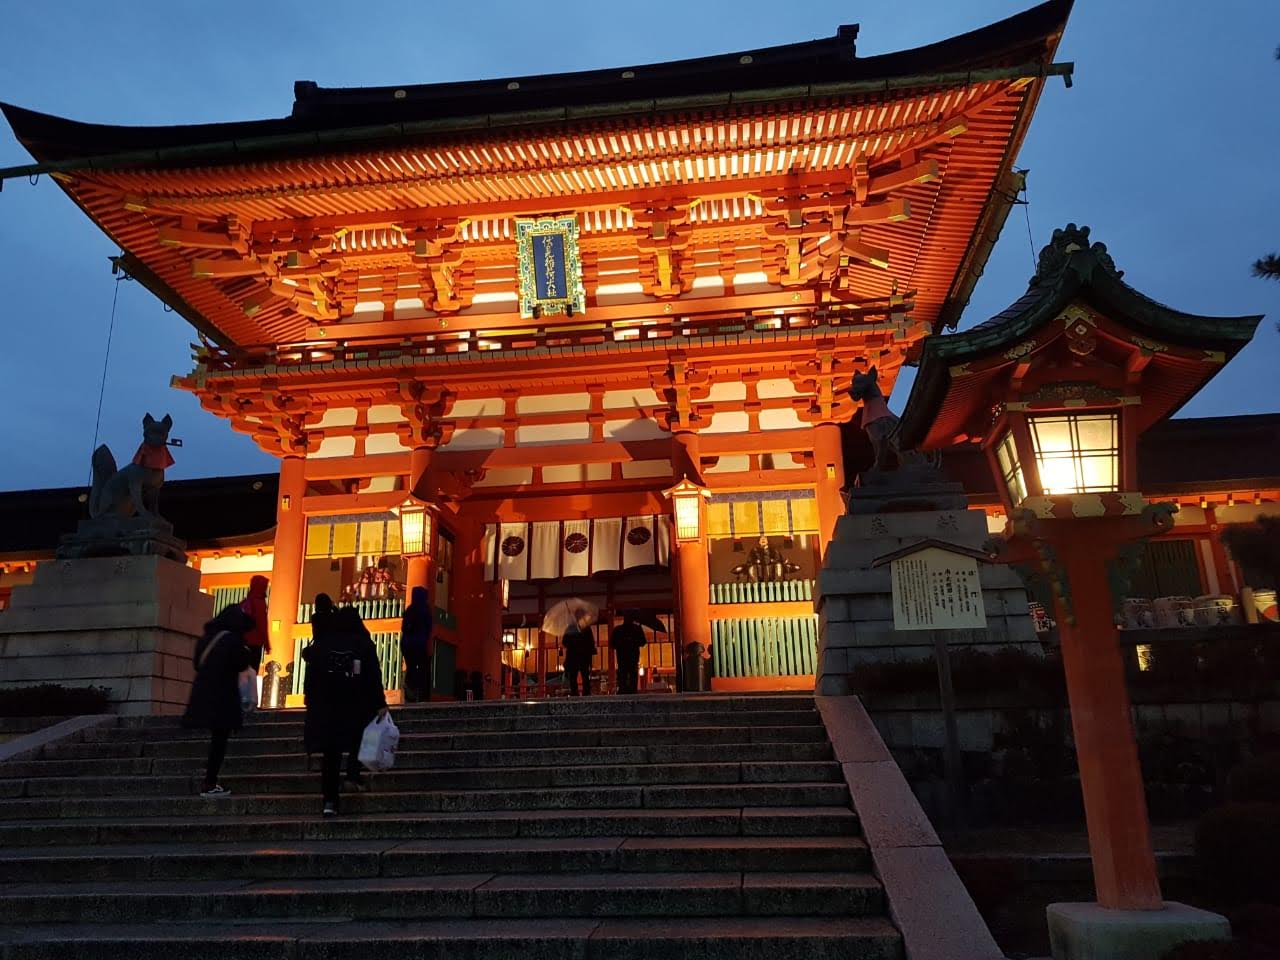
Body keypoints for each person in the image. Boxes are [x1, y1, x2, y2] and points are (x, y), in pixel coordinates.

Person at [302, 605, 387, 816]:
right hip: (356, 703)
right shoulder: (363, 644)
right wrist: (379, 702)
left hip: (328, 704)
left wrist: (311, 700)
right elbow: (372, 676)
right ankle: (352, 775)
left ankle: (330, 800)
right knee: (357, 740)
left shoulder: (323, 644)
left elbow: (312, 676)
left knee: (331, 753)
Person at [182, 604, 254, 798]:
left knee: (215, 737)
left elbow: (197, 663)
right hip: (223, 695)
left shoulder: (206, 638)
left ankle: (209, 780)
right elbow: (241, 663)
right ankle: (210, 782)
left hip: (203, 694)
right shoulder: (231, 640)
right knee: (219, 739)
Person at [400, 586, 433, 703]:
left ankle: (410, 693)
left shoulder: (409, 611)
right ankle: (421, 694)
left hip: (408, 644)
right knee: (423, 669)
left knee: (411, 668)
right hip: (419, 644)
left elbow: (404, 628)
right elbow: (428, 629)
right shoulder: (425, 610)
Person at [610, 613, 647, 695]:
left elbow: (612, 644)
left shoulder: (618, 630)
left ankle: (623, 690)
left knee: (623, 674)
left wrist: (621, 644)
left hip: (622, 657)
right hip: (633, 656)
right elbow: (643, 642)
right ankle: (632, 691)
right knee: (632, 674)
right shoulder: (637, 629)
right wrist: (633, 642)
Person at [239, 575, 271, 671]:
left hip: (242, 641)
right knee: (251, 671)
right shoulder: (259, 602)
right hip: (255, 642)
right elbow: (262, 624)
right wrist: (267, 644)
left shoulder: (246, 601)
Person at [561, 609, 595, 697]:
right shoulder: (586, 628)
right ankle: (584, 693)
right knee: (582, 675)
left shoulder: (571, 628)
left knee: (577, 676)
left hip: (574, 656)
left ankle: (576, 693)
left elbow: (565, 642)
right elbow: (591, 643)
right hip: (582, 656)